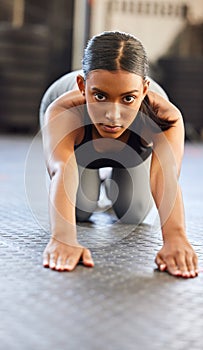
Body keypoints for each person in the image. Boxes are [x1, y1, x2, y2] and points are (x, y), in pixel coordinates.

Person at [40, 31, 198, 278]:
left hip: (133, 150)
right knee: (81, 208)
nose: (112, 116)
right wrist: (63, 238)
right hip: (79, 143)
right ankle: (92, 180)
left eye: (128, 99)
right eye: (100, 96)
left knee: (133, 213)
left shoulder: (164, 117)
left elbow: (165, 175)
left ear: (144, 91)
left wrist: (175, 238)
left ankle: (113, 178)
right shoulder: (63, 109)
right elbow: (62, 167)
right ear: (83, 87)